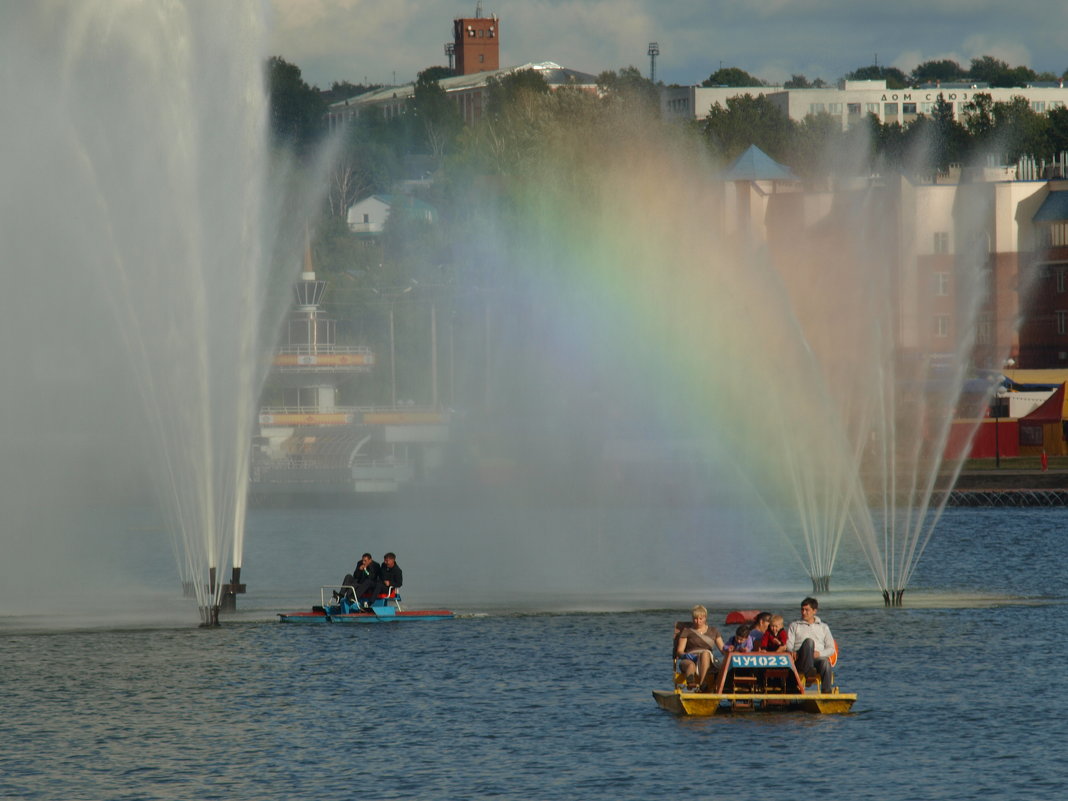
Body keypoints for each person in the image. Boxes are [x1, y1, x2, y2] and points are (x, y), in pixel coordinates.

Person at [786, 597, 835, 693]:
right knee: (809, 642)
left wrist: (819, 654)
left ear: (814, 611)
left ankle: (826, 693)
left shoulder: (823, 627)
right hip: (801, 659)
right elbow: (789, 645)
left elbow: (831, 649)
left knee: (825, 663)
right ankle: (809, 671)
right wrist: (792, 652)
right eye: (802, 610)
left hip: (816, 659)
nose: (803, 612)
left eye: (807, 610)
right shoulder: (795, 625)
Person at [674, 605, 725, 691]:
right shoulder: (687, 631)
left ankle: (702, 684)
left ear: (705, 618)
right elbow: (679, 651)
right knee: (690, 665)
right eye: (695, 619)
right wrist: (686, 655)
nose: (698, 621)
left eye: (700, 619)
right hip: (690, 659)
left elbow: (723, 650)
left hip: (707, 660)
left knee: (705, 653)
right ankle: (690, 682)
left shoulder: (713, 631)